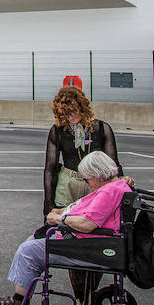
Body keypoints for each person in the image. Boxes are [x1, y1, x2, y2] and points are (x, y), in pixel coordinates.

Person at [0, 151, 129, 305]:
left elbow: (87, 224)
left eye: (87, 179)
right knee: (33, 242)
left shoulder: (109, 192)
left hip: (89, 246)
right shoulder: (117, 186)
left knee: (28, 251)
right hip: (93, 242)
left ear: (98, 175)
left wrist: (61, 219)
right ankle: (18, 301)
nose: (87, 183)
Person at [43, 81, 119, 211]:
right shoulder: (58, 131)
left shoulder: (102, 128)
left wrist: (119, 188)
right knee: (62, 222)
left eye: (73, 112)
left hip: (95, 182)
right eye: (66, 114)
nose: (70, 117)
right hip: (68, 182)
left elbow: (113, 164)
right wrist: (48, 203)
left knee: (93, 220)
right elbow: (50, 168)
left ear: (82, 107)